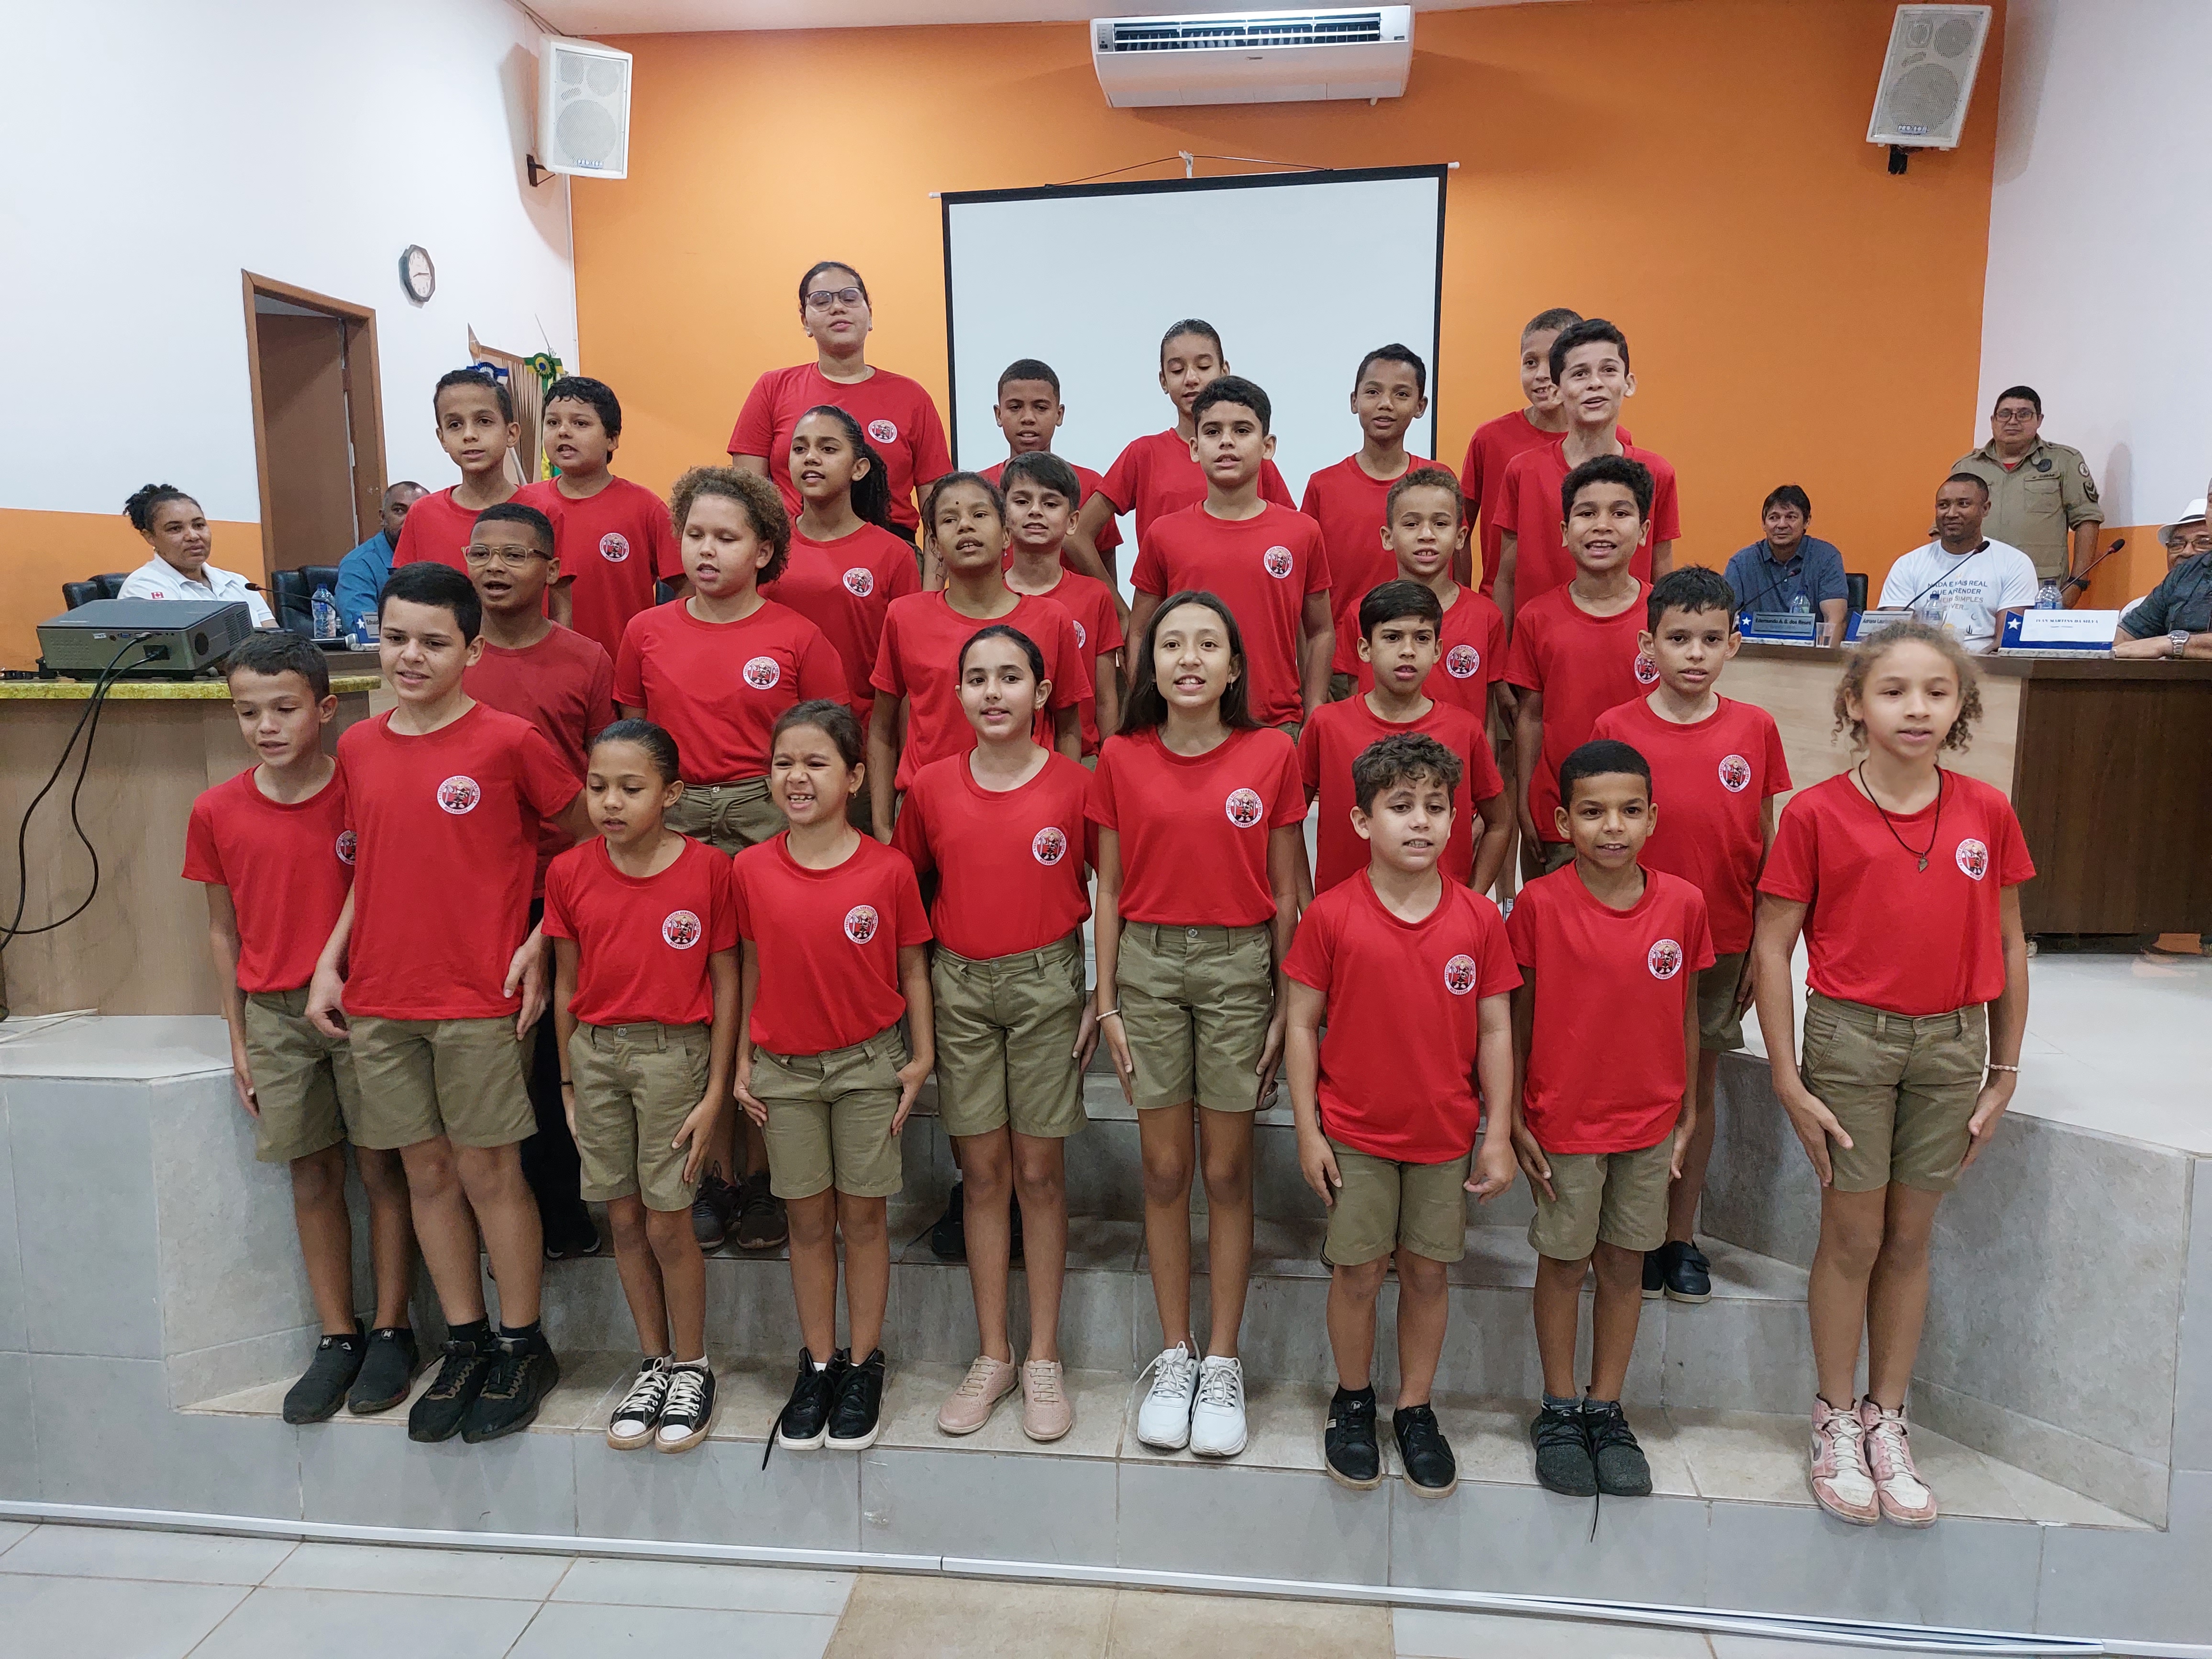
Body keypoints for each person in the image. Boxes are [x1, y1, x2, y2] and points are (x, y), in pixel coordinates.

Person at [1751, 621, 2031, 1526]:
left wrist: (2004, 1067)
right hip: (1851, 1043)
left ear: (1960, 707)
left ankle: (1887, 1418)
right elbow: (1771, 946)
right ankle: (1834, 1419)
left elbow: (2009, 942)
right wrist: (1785, 1075)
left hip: (1951, 1046)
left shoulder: (1986, 810)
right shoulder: (1814, 814)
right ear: (1854, 703)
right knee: (1851, 1234)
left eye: (1936, 692)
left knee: (1911, 1237)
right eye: (1893, 690)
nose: (1916, 708)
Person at [305, 563, 591, 1445]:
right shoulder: (359, 746)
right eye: (396, 638)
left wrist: (542, 938)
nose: (411, 656)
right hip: (382, 994)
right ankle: (464, 1340)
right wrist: (330, 963)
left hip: (478, 994)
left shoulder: (510, 742)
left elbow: (586, 848)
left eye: (433, 642)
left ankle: (522, 1342)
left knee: (488, 1171)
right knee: (424, 1172)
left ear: (472, 651)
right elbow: (371, 864)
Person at [1089, 592, 1307, 1460]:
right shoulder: (1120, 755)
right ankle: (1174, 1354)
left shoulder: (1270, 752)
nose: (1188, 658)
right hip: (1146, 966)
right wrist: (1105, 998)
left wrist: (1287, 1000)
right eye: (1171, 643)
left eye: (1207, 644)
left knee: (1224, 1167)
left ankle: (1222, 1359)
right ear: (1149, 664)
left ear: (1233, 666)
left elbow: (1287, 888)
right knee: (1163, 1165)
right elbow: (1109, 888)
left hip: (1237, 967)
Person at [184, 632, 417, 1424]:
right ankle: (337, 1333)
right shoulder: (215, 809)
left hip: (365, 1003)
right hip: (273, 1015)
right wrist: (239, 1036)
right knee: (312, 1174)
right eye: (248, 712)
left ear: (325, 709)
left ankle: (393, 1327)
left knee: (383, 1168)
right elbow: (222, 930)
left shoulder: (358, 792)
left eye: (284, 708)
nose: (266, 726)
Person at [615, 467, 847, 1254]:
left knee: (763, 989)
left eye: (726, 536)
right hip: (674, 816)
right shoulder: (645, 631)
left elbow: (826, 747)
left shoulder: (798, 637)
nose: (706, 550)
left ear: (765, 549)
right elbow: (634, 744)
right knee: (693, 994)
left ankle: (766, 1176)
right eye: (695, 534)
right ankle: (708, 1173)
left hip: (767, 812)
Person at [1285, 732, 1519, 1497]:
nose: (1421, 821)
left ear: (1457, 820)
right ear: (1361, 821)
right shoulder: (1330, 915)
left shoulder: (1479, 919)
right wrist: (1309, 1131)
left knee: (1426, 1273)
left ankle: (1415, 1409)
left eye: (1436, 807)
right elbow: (1301, 1025)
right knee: (1358, 1272)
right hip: (1355, 1134)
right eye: (1401, 806)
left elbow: (1495, 1030)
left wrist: (1498, 1132)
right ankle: (1353, 1401)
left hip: (1443, 1137)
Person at [893, 626, 1096, 1442]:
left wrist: (1103, 993)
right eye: (976, 678)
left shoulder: (1076, 785)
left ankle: (1043, 1353)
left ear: (1041, 693)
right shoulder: (931, 787)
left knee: (1038, 1172)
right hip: (960, 987)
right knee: (981, 1173)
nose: (992, 692)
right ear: (957, 694)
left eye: (1010, 676)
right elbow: (909, 890)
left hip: (1046, 983)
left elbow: (1111, 886)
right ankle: (993, 1352)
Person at [1511, 740, 1712, 1501]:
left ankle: (1606, 1406)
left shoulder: (1683, 905)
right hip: (1564, 1120)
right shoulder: (1539, 905)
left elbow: (1684, 1013)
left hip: (1649, 1123)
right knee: (1565, 1263)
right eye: (1593, 813)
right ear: (1564, 822)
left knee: (1626, 1264)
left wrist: (1686, 1109)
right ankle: (1561, 1408)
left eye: (1630, 811)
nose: (1613, 827)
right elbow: (1519, 1017)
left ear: (1653, 817)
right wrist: (1513, 1116)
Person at [736, 701, 934, 1456]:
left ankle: (863, 1363)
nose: (797, 777)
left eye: (816, 763)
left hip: (866, 1067)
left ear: (854, 777)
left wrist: (921, 1055)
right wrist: (741, 1061)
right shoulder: (750, 869)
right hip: (783, 1073)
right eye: (784, 762)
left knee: (865, 1218)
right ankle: (818, 1364)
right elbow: (747, 967)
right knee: (807, 1221)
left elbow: (913, 967)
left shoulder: (887, 870)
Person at [1592, 567, 1790, 1303]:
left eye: (1711, 639)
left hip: (1725, 940)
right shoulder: (1616, 728)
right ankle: (1626, 1232)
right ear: (1649, 645)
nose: (1695, 654)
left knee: (1694, 1093)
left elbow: (1764, 840)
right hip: (1628, 944)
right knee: (1625, 1086)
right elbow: (1597, 840)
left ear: (1734, 644)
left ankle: (1678, 1236)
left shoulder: (1755, 728)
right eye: (1678, 638)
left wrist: (1765, 946)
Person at [546, 720, 738, 1455]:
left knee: (667, 1222)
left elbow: (728, 983)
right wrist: (568, 1080)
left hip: (674, 1056)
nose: (611, 802)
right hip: (596, 1057)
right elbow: (566, 984)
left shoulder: (709, 870)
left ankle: (693, 1366)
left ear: (672, 793)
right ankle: (653, 1363)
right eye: (598, 787)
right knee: (623, 1218)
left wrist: (716, 1093)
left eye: (631, 788)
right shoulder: (569, 872)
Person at [460, 501, 617, 1262]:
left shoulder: (586, 659)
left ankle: (561, 1204)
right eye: (481, 553)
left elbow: (603, 776)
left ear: (552, 570)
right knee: (490, 1049)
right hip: (471, 884)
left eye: (515, 554)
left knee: (555, 1049)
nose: (495, 566)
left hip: (559, 880)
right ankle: (496, 1209)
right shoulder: (453, 657)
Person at [868, 473, 1087, 837]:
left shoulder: (1051, 618)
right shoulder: (905, 617)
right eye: (950, 520)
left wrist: (1061, 807)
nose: (965, 525)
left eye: (980, 515)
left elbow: (1068, 726)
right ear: (934, 545)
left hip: (1028, 807)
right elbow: (882, 727)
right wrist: (883, 826)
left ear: (1006, 535)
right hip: (927, 813)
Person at [1128, 376, 1333, 741]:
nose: (1226, 441)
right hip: (1186, 724)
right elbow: (1141, 631)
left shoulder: (1302, 532)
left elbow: (1320, 630)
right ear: (1195, 448)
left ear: (1268, 446)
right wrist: (1147, 707)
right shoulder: (1164, 534)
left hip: (1277, 725)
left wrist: (1315, 705)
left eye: (1242, 430)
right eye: (1212, 432)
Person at [1300, 580, 1509, 897]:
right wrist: (1308, 905)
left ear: (1437, 650)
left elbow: (1500, 822)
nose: (1408, 650)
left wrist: (1473, 901)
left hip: (1441, 916)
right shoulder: (1327, 725)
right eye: (1392, 637)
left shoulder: (1464, 729)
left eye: (1422, 638)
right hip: (1346, 916)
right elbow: (1286, 823)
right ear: (1365, 649)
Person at [1505, 456, 1659, 874]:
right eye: (1587, 513)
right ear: (1564, 532)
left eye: (1620, 513)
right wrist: (1525, 802)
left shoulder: (1665, 619)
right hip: (1561, 818)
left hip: (1642, 819)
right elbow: (1530, 717)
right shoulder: (1536, 618)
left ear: (1644, 531)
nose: (1602, 525)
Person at [730, 261, 953, 544]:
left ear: (870, 314)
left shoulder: (912, 396)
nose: (837, 308)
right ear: (805, 321)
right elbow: (747, 497)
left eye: (849, 298)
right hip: (792, 550)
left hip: (893, 548)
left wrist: (933, 572)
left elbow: (938, 504)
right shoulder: (772, 388)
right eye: (821, 301)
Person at [1074, 320, 1295, 583]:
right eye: (1178, 370)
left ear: (1224, 371)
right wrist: (1115, 603)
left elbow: (1292, 537)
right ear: (1163, 381)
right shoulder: (1144, 454)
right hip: (1170, 605)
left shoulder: (1248, 458)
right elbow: (1077, 534)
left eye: (1204, 367)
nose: (1191, 379)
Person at [1493, 319, 1678, 625]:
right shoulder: (1522, 470)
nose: (1595, 383)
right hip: (1540, 642)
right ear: (1557, 390)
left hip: (1632, 642)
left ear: (1629, 384)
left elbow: (1663, 575)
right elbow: (1506, 578)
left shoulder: (1658, 473)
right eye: (1580, 374)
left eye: (1608, 370)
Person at [759, 404, 920, 748]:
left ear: (858, 468)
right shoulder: (765, 550)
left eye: (828, 449)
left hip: (860, 741)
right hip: (773, 744)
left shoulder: (894, 555)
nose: (811, 458)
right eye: (799, 449)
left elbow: (906, 674)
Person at [1298, 344, 1450, 697]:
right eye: (1373, 392)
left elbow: (1456, 571)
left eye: (1401, 394)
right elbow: (1308, 591)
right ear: (1354, 401)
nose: (1386, 404)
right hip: (1343, 663)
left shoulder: (1439, 483)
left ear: (1421, 406)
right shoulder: (1324, 486)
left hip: (1419, 657)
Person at [1460, 308, 1632, 593]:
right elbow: (1461, 528)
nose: (1542, 375)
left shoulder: (1620, 441)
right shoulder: (1490, 438)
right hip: (1511, 602)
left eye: (1551, 362)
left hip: (1593, 598)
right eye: (1530, 362)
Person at [515, 376, 682, 661]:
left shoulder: (645, 507)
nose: (563, 432)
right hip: (537, 667)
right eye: (553, 423)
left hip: (621, 666)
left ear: (612, 439)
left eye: (580, 423)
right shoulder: (523, 505)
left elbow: (684, 588)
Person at [1330, 468, 1507, 728]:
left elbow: (1486, 720)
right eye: (1412, 524)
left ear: (1460, 537)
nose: (1427, 535)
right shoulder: (1360, 613)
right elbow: (1357, 710)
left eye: (1440, 524)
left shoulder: (1486, 617)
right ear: (1388, 537)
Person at [1001, 450, 1125, 756]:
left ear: (1072, 522)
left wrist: (1111, 764)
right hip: (1005, 760)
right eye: (1022, 501)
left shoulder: (1095, 596)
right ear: (1003, 516)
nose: (1035, 511)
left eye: (1050, 503)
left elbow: (1106, 698)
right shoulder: (990, 596)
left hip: (1084, 757)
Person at [979, 358, 1122, 576]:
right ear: (999, 415)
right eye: (1015, 407)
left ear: (1059, 414)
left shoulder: (1090, 485)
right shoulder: (980, 488)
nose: (1028, 418)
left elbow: (1105, 569)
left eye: (1041, 408)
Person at [1950, 385, 2103, 586]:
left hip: (2040, 585)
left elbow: (2087, 520)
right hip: (1973, 583)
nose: (2013, 421)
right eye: (2005, 414)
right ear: (1993, 420)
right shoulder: (1967, 466)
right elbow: (1945, 526)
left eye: (2024, 414)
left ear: (2039, 420)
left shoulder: (2064, 461)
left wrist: (2078, 582)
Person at [391, 369, 537, 574]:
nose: (469, 435)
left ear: (511, 433)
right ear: (442, 438)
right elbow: (407, 589)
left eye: (484, 421)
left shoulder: (542, 511)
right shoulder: (422, 514)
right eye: (455, 425)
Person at [1877, 475, 2038, 652]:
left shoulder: (2014, 563)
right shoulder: (1908, 564)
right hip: (1922, 660)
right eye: (1943, 505)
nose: (1951, 514)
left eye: (1963, 504)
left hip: (1986, 663)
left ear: (1985, 509)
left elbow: (2006, 641)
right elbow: (1893, 635)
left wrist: (1971, 665)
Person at [117, 484, 275, 624]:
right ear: (150, 537)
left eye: (199, 525)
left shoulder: (238, 583)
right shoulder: (142, 587)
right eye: (175, 529)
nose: (193, 536)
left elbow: (274, 637)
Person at [1723, 485, 1849, 641]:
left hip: (1811, 654)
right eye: (1774, 518)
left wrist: (1824, 656)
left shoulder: (1826, 558)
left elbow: (1835, 620)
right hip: (1755, 653)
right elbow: (1722, 618)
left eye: (1791, 517)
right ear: (1763, 524)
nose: (1782, 525)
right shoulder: (1741, 564)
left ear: (1807, 521)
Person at [2113, 497, 2212, 657]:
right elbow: (2128, 634)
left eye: (2203, 542)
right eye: (2177, 544)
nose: (2187, 552)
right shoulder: (2182, 576)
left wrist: (2173, 644)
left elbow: (2161, 645)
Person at [334, 481, 427, 634]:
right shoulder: (358, 565)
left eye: (419, 511)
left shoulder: (440, 554)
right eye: (399, 511)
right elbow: (366, 631)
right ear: (383, 517)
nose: (410, 519)